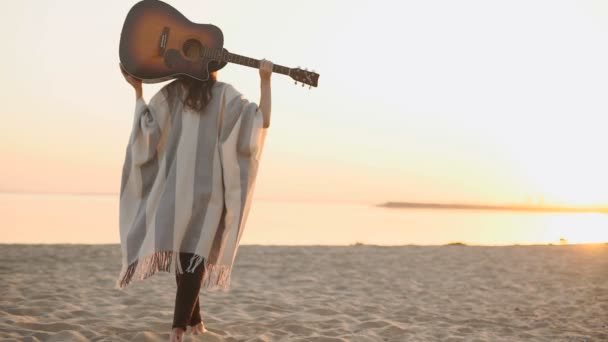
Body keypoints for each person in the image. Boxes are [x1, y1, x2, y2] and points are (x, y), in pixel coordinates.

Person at [117, 44, 273, 342]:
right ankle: (178, 329)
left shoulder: (173, 94)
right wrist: (265, 81)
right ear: (215, 67)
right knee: (194, 255)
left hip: (174, 191)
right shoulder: (226, 96)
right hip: (209, 193)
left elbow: (146, 131)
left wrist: (137, 91)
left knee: (188, 254)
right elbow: (260, 123)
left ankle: (196, 323)